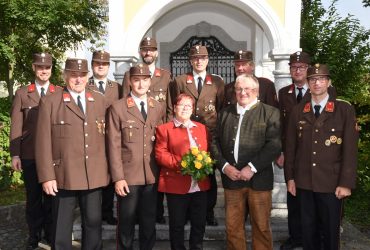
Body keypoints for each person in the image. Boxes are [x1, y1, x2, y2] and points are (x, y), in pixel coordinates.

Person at [35, 58, 109, 249]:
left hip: (93, 173)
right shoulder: (50, 101)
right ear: (65, 76)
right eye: (73, 75)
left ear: (88, 77)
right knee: (61, 226)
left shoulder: (99, 100)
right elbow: (42, 142)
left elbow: (108, 138)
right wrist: (47, 177)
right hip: (63, 175)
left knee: (93, 223)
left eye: (82, 75)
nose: (78, 80)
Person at [285, 63, 358, 250]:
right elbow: (291, 148)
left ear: (329, 82)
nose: (317, 83)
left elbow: (349, 151)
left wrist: (346, 183)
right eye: (313, 79)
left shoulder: (344, 110)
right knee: (308, 232)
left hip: (331, 184)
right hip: (304, 182)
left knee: (330, 233)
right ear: (308, 83)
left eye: (321, 79)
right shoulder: (298, 111)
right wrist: (290, 178)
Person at [211, 74, 281, 250]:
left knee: (262, 228)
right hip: (232, 180)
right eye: (239, 89)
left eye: (247, 89)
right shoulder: (224, 113)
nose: (242, 92)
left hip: (259, 181)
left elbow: (274, 145)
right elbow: (214, 142)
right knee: (233, 228)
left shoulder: (270, 113)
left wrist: (252, 167)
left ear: (256, 91)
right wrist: (224, 166)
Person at [278, 52, 337, 250]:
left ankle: (318, 239)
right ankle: (296, 238)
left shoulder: (329, 94)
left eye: (301, 67)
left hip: (320, 157)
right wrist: (283, 152)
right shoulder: (284, 92)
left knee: (318, 207)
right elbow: (283, 126)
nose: (297, 70)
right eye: (293, 67)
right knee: (295, 202)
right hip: (294, 153)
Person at [107, 63, 164, 250]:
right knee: (126, 222)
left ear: (150, 81)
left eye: (145, 80)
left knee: (149, 222)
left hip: (152, 174)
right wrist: (118, 178)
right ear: (130, 82)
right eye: (137, 80)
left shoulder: (157, 107)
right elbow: (113, 145)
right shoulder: (118, 108)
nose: (141, 84)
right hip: (128, 176)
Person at [168, 44, 224, 226]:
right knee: (185, 171)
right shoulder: (180, 81)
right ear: (190, 61)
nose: (199, 61)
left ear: (208, 60)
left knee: (208, 175)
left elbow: (221, 109)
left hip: (209, 136)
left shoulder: (217, 82)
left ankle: (208, 211)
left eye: (203, 58)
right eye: (195, 58)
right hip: (185, 134)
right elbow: (173, 107)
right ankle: (186, 212)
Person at [10, 52, 58, 249]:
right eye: (40, 67)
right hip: (30, 154)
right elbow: (16, 125)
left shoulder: (59, 92)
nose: (43, 71)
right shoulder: (23, 93)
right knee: (33, 198)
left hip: (53, 155)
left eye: (47, 67)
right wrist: (15, 154)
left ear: (51, 70)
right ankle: (34, 236)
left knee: (52, 197)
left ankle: (50, 233)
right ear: (34, 68)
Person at [122, 37, 172, 224]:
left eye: (151, 50)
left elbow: (168, 107)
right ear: (140, 52)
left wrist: (166, 134)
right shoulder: (129, 75)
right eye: (144, 50)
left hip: (157, 134)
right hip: (134, 133)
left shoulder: (165, 76)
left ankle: (157, 214)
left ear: (156, 53)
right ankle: (134, 215)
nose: (148, 53)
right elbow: (123, 103)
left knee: (155, 177)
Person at [155, 93, 210, 250]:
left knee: (199, 223)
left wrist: (204, 163)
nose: (185, 108)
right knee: (177, 224)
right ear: (174, 108)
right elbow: (161, 155)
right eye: (181, 105)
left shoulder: (202, 128)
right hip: (176, 184)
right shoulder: (164, 129)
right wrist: (185, 164)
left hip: (200, 184)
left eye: (189, 105)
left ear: (192, 109)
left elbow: (208, 152)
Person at [88, 49, 121, 225]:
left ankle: (107, 212)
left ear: (108, 66)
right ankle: (93, 213)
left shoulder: (117, 87)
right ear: (92, 65)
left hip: (111, 137)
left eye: (104, 64)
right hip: (92, 138)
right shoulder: (86, 85)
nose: (101, 66)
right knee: (94, 176)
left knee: (109, 175)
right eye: (97, 63)